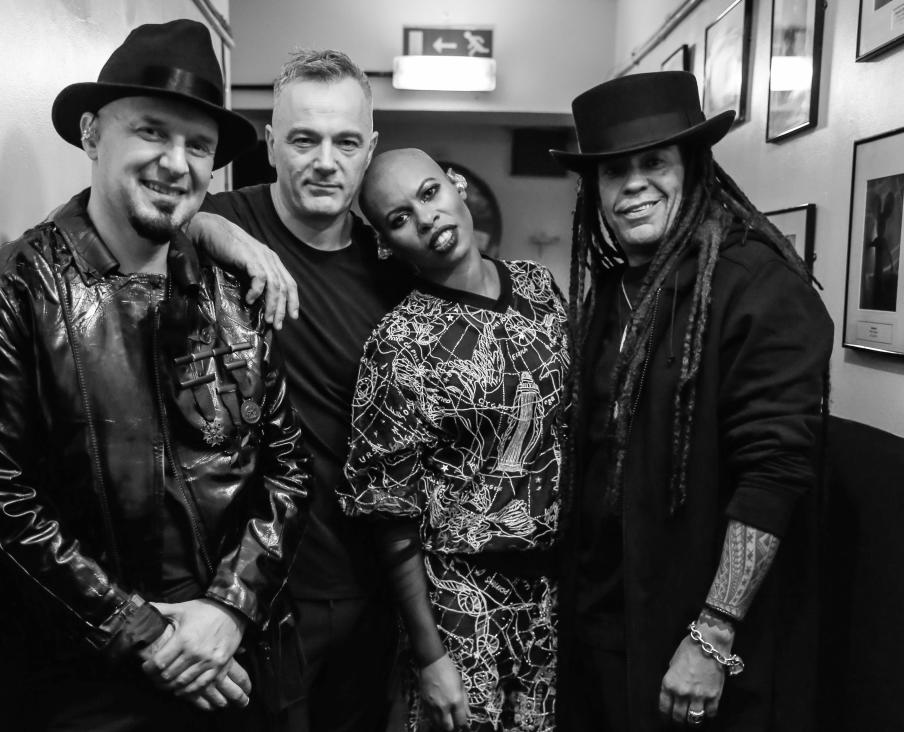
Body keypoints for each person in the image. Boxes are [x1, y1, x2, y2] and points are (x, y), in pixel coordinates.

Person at [0, 20, 310, 731]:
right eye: (152, 132)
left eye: (198, 146)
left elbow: (289, 465)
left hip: (241, 663)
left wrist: (229, 608)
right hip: (95, 681)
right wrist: (144, 631)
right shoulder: (13, 287)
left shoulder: (235, 291)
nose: (175, 163)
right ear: (91, 134)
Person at [549, 71, 833, 731]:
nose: (634, 183)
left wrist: (713, 633)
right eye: (614, 170)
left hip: (697, 635)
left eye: (654, 162)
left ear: (695, 166)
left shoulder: (754, 284)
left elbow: (775, 472)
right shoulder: (616, 288)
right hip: (604, 618)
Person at [189, 49, 405, 732]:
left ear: (369, 150)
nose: (324, 160)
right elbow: (138, 213)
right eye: (304, 139)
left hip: (371, 584)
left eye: (345, 142)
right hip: (251, 589)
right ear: (271, 142)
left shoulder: (391, 268)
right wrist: (218, 230)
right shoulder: (225, 220)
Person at [339, 148, 568, 732]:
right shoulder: (399, 344)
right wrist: (429, 654)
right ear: (388, 244)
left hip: (556, 595)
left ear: (457, 187)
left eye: (429, 193)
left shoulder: (540, 287)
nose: (425, 218)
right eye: (398, 218)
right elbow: (388, 513)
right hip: (460, 607)